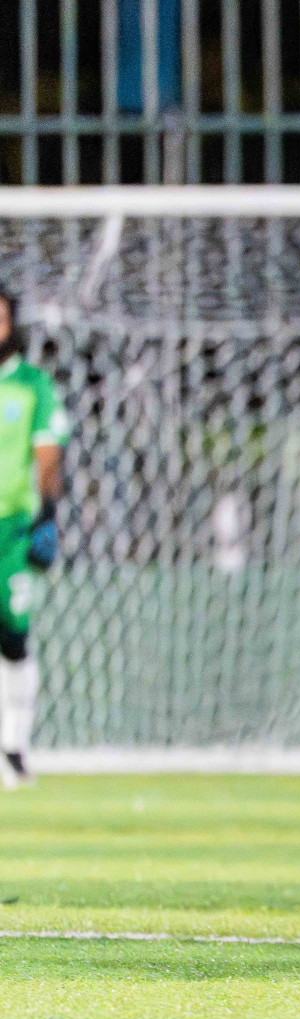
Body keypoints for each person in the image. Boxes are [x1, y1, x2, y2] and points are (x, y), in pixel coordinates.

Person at [0, 289, 67, 789]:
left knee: (13, 635)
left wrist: (47, 514)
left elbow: (47, 453)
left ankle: (15, 747)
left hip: (11, 530)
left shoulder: (31, 385)